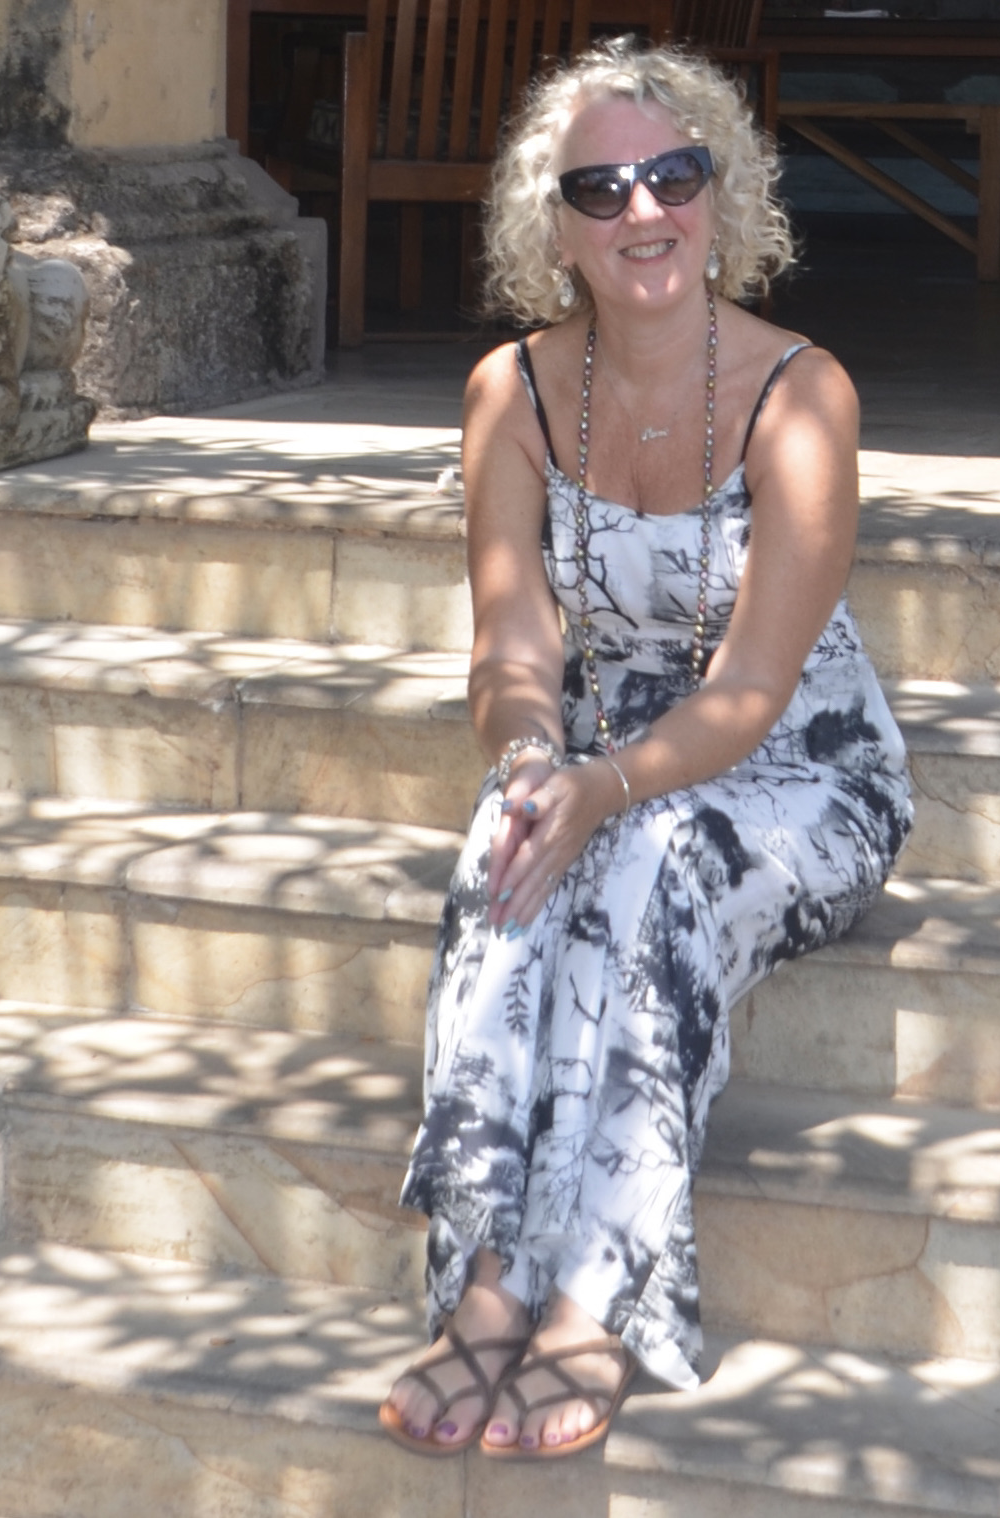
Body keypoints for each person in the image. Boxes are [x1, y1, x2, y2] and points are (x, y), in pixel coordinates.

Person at [377, 39, 912, 1462]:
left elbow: (748, 690)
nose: (642, 214)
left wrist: (607, 787)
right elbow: (508, 640)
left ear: (720, 198)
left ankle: (596, 1298)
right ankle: (483, 1284)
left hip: (801, 773)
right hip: (605, 752)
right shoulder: (516, 391)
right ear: (551, 227)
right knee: (508, 856)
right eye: (599, 189)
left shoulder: (805, 395)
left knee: (647, 863)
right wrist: (532, 758)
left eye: (672, 177)